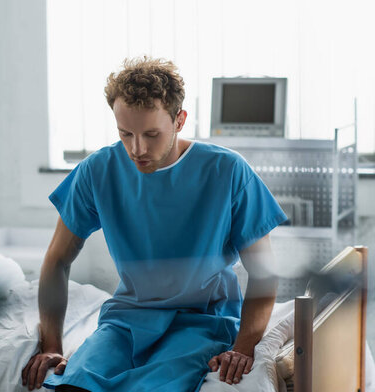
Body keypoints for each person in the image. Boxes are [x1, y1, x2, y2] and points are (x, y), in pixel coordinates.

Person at [21, 56, 287, 392]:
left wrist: (243, 346)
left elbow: (265, 272)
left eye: (151, 134)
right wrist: (52, 346)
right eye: (125, 134)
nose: (137, 148)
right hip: (126, 321)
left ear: (179, 120)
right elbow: (57, 260)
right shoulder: (97, 172)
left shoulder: (227, 171)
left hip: (203, 322)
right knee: (74, 386)